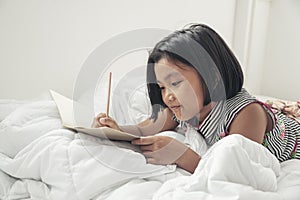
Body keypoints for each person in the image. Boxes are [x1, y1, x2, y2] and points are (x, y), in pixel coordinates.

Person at [92, 23, 300, 174]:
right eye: (162, 87)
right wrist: (114, 128)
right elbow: (146, 128)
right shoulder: (183, 107)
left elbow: (237, 172)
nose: (167, 96)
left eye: (175, 83)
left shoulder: (246, 115)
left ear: (213, 78)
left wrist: (183, 156)